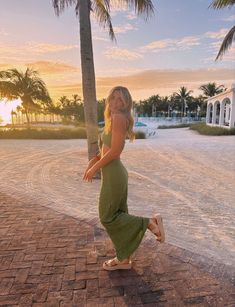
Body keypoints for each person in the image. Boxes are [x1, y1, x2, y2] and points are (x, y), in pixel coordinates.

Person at [83, 86, 165, 271]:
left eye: (120, 100)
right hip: (113, 173)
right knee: (119, 215)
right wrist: (93, 160)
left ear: (126, 103)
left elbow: (115, 151)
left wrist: (96, 167)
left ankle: (149, 223)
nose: (115, 103)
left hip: (114, 174)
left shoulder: (119, 118)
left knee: (107, 217)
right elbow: (106, 148)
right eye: (113, 98)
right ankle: (124, 258)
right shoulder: (112, 118)